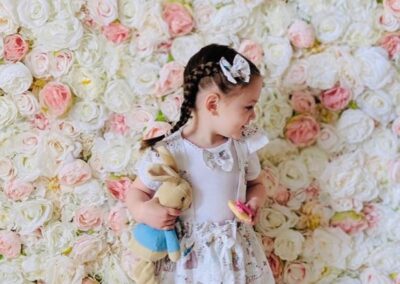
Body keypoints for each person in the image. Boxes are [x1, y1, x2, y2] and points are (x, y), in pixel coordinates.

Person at [125, 44, 275, 284]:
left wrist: (254, 202)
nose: (253, 116)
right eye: (248, 107)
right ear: (213, 104)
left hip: (235, 254)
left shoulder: (242, 145)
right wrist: (144, 211)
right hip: (189, 259)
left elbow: (256, 183)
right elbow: (137, 191)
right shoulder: (171, 151)